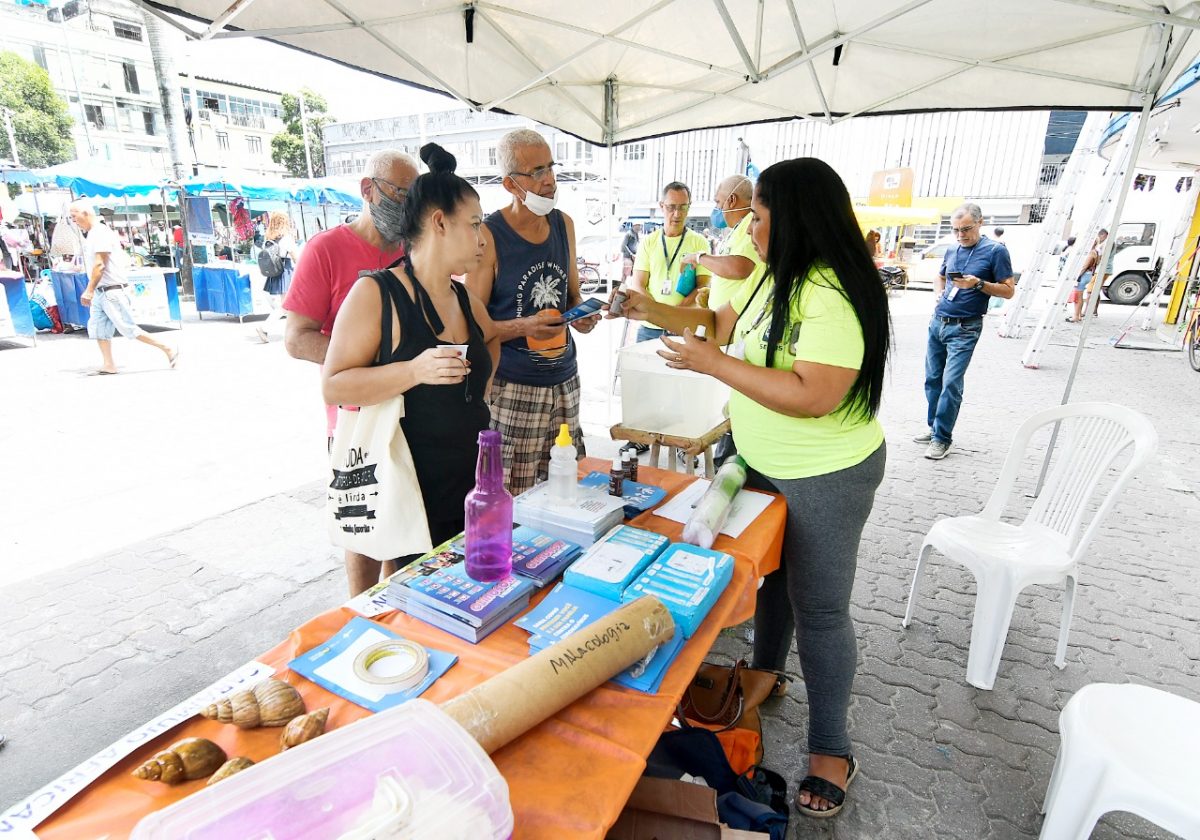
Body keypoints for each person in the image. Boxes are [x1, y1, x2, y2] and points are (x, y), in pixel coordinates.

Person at [612, 157, 890, 819]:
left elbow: (814, 394)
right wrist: (649, 308)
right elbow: (718, 326)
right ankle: (768, 671)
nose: (749, 231)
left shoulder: (832, 292)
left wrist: (715, 366)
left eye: (759, 218)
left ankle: (831, 749)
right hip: (759, 460)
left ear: (796, 221)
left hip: (826, 473)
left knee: (820, 608)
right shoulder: (771, 272)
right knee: (771, 579)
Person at [322, 142, 498, 553]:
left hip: (472, 487)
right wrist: (414, 371)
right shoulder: (376, 293)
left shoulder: (464, 298)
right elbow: (334, 385)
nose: (483, 240)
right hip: (409, 497)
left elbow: (491, 337)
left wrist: (479, 390)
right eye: (474, 224)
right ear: (439, 222)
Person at [283, 149, 417, 596]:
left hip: (409, 408)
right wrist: (367, 362)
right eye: (399, 194)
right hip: (355, 416)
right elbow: (297, 338)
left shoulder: (414, 251)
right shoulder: (326, 249)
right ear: (367, 190)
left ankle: (394, 607)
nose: (406, 207)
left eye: (413, 197)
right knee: (361, 523)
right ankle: (360, 611)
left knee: (400, 521)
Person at [465, 128, 600, 496]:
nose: (550, 180)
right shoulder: (489, 236)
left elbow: (572, 296)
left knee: (566, 491)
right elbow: (471, 325)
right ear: (510, 184)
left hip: (565, 383)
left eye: (551, 168)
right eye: (537, 171)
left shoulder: (564, 224)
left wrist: (582, 315)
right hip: (513, 389)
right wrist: (525, 326)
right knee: (512, 497)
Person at [916, 203, 1014, 460]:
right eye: (956, 230)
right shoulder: (952, 249)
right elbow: (940, 276)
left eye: (966, 229)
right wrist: (938, 293)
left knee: (951, 383)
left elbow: (1009, 290)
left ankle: (942, 438)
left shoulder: (995, 251)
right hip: (938, 322)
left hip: (965, 327)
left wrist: (978, 284)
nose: (961, 235)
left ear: (980, 223)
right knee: (933, 379)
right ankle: (934, 428)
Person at [69, 201, 177, 375]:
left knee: (128, 328)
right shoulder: (92, 234)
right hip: (101, 291)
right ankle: (108, 364)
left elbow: (100, 265)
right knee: (98, 329)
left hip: (112, 291)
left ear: (85, 213)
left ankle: (168, 348)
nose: (73, 220)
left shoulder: (100, 233)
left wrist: (89, 290)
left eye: (74, 216)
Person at [628, 181, 711, 341]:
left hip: (683, 326)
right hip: (650, 326)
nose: (677, 214)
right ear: (662, 206)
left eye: (683, 207)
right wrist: (660, 314)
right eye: (671, 207)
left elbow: (703, 285)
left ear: (689, 207)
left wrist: (673, 315)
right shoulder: (649, 241)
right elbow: (638, 284)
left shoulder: (699, 242)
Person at [680, 174, 762, 311]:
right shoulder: (737, 229)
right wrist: (713, 295)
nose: (716, 208)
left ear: (732, 200)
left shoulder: (750, 224)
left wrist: (699, 257)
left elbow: (740, 268)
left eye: (718, 202)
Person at [254, 211, 301, 343]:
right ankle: (264, 328)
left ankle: (293, 332)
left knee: (289, 305)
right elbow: (296, 257)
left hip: (277, 272)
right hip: (286, 271)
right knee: (286, 305)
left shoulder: (269, 239)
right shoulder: (286, 239)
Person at [1066, 230, 1105, 323]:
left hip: (1084, 275)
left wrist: (1077, 276)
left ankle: (1076, 316)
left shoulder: (1091, 253)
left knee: (1078, 297)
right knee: (1080, 296)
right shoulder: (1096, 252)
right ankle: (1078, 315)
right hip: (1089, 274)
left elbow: (1084, 266)